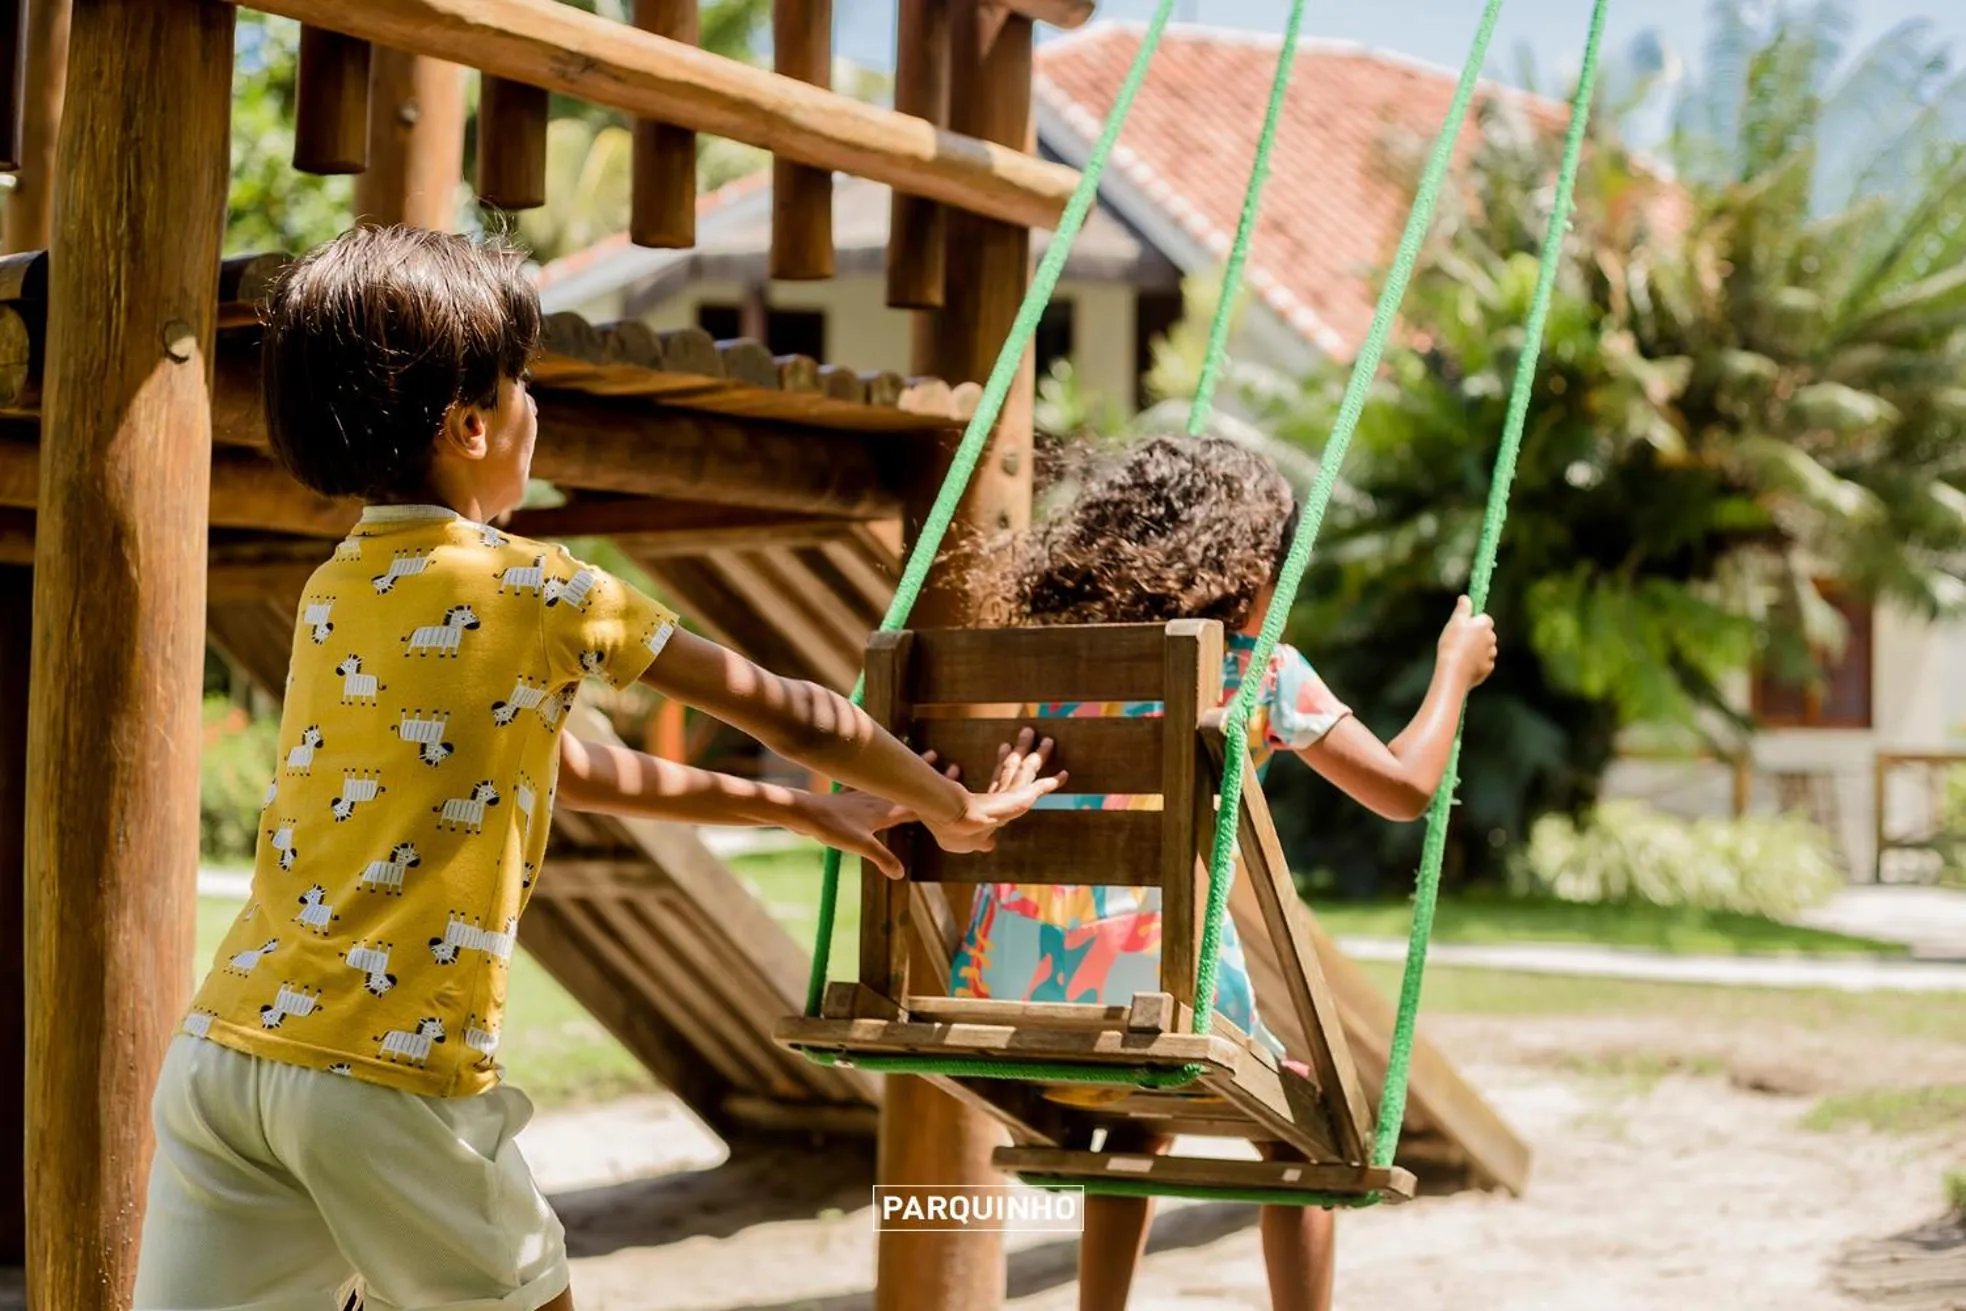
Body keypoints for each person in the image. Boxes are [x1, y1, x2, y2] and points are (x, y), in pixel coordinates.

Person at [132, 224, 1060, 1311]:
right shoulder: (546, 589)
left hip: (225, 1057)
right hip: (384, 1070)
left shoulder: (336, 589)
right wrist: (951, 804)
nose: (536, 412)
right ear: (472, 424)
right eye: (523, 386)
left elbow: (564, 767)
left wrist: (805, 815)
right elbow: (795, 712)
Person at [949, 434, 1499, 1311]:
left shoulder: (1054, 663)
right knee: (1308, 1134)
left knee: (1132, 1120)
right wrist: (1454, 672)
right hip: (1150, 994)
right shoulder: (1258, 672)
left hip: (1003, 980)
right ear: (1249, 572)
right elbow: (1405, 789)